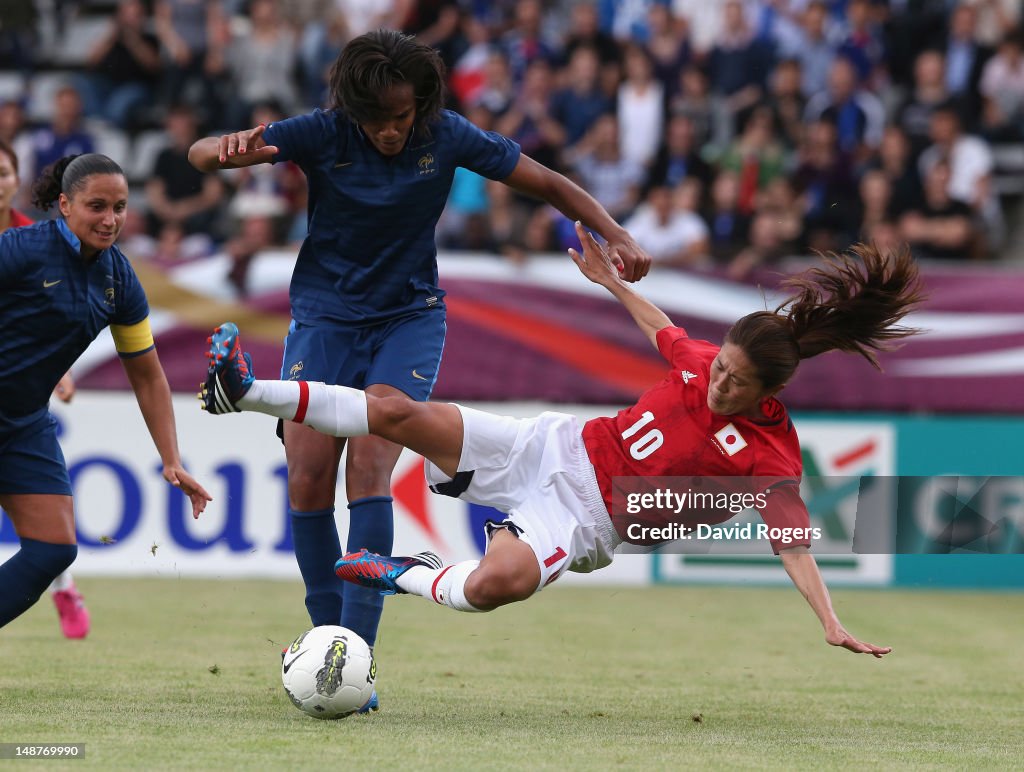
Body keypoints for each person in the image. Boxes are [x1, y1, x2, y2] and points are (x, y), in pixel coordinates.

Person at [200, 222, 923, 657]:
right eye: (721, 367)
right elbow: (659, 326)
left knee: (494, 586)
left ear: (769, 395)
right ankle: (246, 390)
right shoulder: (704, 360)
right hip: (554, 447)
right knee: (395, 410)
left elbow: (791, 542)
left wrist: (830, 620)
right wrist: (610, 281)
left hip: (586, 520)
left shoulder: (772, 457)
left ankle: (396, 570)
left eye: (735, 384)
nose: (717, 384)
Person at [187, 29, 651, 705]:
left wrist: (616, 232)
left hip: (408, 316)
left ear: (422, 103)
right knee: (310, 477)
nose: (391, 133)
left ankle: (360, 655)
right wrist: (221, 150)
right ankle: (332, 655)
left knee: (370, 466)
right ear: (353, 111)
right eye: (378, 123)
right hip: (324, 314)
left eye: (402, 119)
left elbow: (546, 181)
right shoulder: (323, 132)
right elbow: (202, 156)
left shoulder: (448, 133)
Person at [0, 153, 211, 633]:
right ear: (65, 204)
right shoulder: (21, 249)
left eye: (119, 207)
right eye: (96, 206)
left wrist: (172, 459)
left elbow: (148, 376)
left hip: (22, 424)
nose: (110, 219)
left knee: (53, 549)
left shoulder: (119, 280)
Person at [0, 139, 88, 638]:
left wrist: (58, 371)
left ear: (17, 179)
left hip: (21, 405)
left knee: (50, 529)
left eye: (4, 171)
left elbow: (44, 327)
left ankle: (64, 586)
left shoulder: (36, 241)